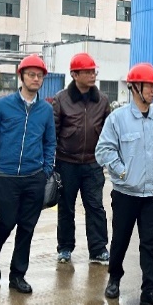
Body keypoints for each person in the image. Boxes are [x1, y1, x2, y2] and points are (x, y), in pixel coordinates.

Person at [96, 62, 153, 305]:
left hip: (152, 194)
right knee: (120, 239)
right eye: (150, 86)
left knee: (149, 243)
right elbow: (103, 150)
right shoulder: (117, 119)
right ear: (135, 87)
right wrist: (122, 172)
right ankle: (114, 278)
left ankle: (149, 291)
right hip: (125, 193)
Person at [0, 55, 56, 294]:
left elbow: (50, 143)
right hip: (6, 175)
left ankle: (18, 275)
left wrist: (45, 171)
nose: (36, 79)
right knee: (7, 221)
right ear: (21, 76)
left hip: (34, 177)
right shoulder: (3, 106)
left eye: (39, 75)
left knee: (27, 227)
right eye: (31, 74)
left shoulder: (46, 110)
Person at [52, 52, 112, 266]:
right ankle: (65, 248)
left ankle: (98, 249)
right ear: (74, 75)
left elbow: (109, 134)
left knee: (95, 207)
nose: (92, 75)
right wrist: (50, 164)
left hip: (93, 164)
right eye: (87, 72)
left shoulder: (102, 101)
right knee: (66, 207)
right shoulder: (61, 99)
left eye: (94, 71)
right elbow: (53, 133)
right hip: (66, 163)